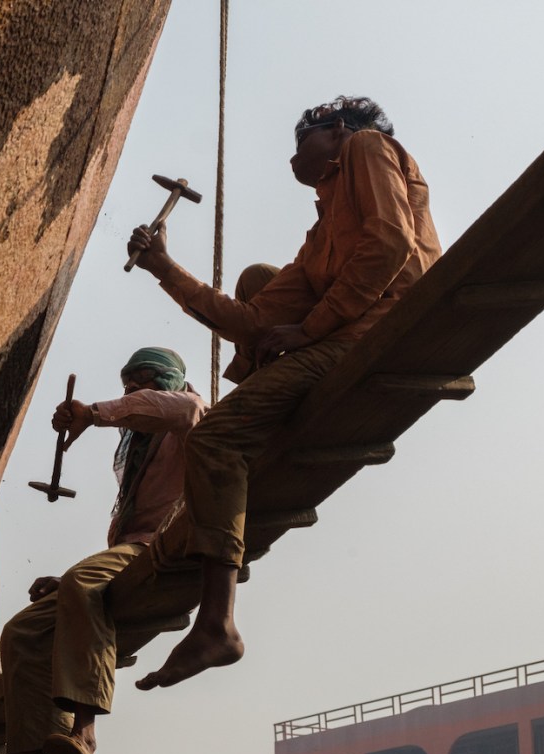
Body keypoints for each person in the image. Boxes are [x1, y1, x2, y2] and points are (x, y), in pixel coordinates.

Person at [127, 96, 442, 691]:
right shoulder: (323, 229)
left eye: (305, 139)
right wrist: (164, 268)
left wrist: (312, 330)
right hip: (338, 330)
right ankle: (260, 418)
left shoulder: (366, 148)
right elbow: (252, 320)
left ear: (338, 131)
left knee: (214, 438)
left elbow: (392, 245)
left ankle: (218, 624)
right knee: (255, 280)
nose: (294, 154)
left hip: (378, 330)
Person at [0, 348, 208, 754]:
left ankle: (83, 733)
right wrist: (65, 580)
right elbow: (122, 540)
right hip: (130, 552)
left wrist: (94, 413)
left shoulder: (190, 415)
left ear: (170, 382)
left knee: (85, 584)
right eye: (127, 385)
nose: (132, 394)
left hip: (172, 547)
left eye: (143, 383)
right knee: (22, 632)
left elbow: (179, 408)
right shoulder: (135, 447)